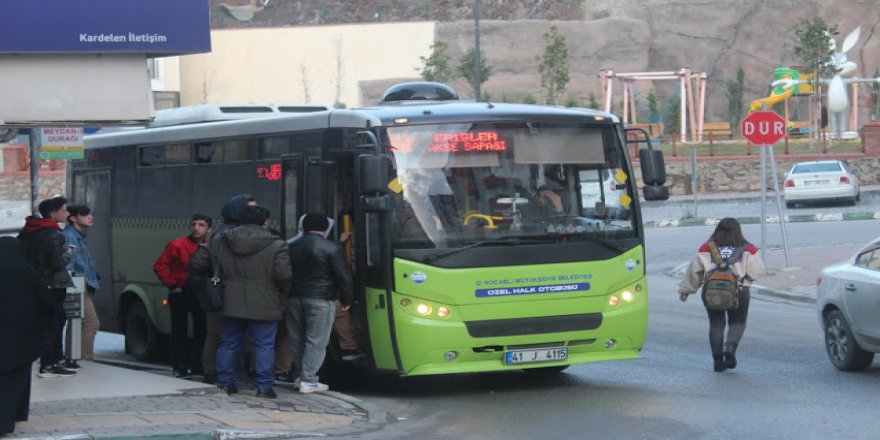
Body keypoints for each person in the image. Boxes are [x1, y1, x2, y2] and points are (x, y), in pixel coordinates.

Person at [191, 205, 292, 398]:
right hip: (265, 301)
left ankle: (225, 383)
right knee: (264, 345)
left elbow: (197, 263)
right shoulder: (277, 244)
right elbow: (283, 276)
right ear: (265, 223)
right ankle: (264, 387)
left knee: (228, 343)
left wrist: (210, 280)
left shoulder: (220, 240)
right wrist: (280, 295)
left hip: (229, 300)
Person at [678, 218, 764, 372]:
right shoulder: (748, 249)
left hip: (711, 290)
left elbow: (694, 272)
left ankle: (718, 361)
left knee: (716, 324)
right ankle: (730, 349)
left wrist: (686, 290)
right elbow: (755, 272)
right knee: (737, 323)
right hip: (739, 290)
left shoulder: (706, 248)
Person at [189, 194, 256, 384]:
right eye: (250, 208)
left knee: (216, 335)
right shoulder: (238, 235)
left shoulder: (217, 234)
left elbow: (197, 265)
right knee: (231, 336)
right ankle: (226, 373)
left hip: (217, 291)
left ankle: (211, 371)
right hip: (231, 293)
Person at [286, 213, 353, 393]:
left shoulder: (289, 246)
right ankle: (309, 380)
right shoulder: (331, 248)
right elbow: (343, 277)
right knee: (316, 340)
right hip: (320, 299)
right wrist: (346, 299)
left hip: (292, 299)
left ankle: (299, 377)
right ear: (325, 228)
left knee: (297, 339)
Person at [18, 196, 77, 378]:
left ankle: (51, 360)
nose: (67, 214)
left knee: (47, 323)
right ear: (53, 214)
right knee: (55, 322)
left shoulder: (30, 231)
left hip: (36, 284)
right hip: (54, 285)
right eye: (64, 210)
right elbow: (57, 263)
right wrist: (68, 252)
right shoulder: (54, 234)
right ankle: (50, 363)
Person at [0, 237, 53, 436]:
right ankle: (7, 422)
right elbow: (46, 306)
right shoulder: (27, 272)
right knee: (14, 384)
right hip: (20, 341)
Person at [154, 214, 213, 379]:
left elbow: (216, 272)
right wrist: (172, 285)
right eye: (194, 224)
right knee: (179, 330)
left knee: (202, 331)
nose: (196, 228)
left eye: (201, 225)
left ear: (209, 229)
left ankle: (198, 365)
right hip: (181, 290)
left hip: (201, 291)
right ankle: (179, 366)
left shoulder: (211, 246)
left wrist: (214, 287)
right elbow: (160, 266)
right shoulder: (177, 244)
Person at [61, 205, 101, 367]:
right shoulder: (70, 237)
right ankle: (85, 359)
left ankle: (73, 357)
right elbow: (69, 264)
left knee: (76, 321)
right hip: (77, 284)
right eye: (85, 214)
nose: (90, 217)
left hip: (82, 284)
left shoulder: (76, 236)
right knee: (91, 322)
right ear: (73, 218)